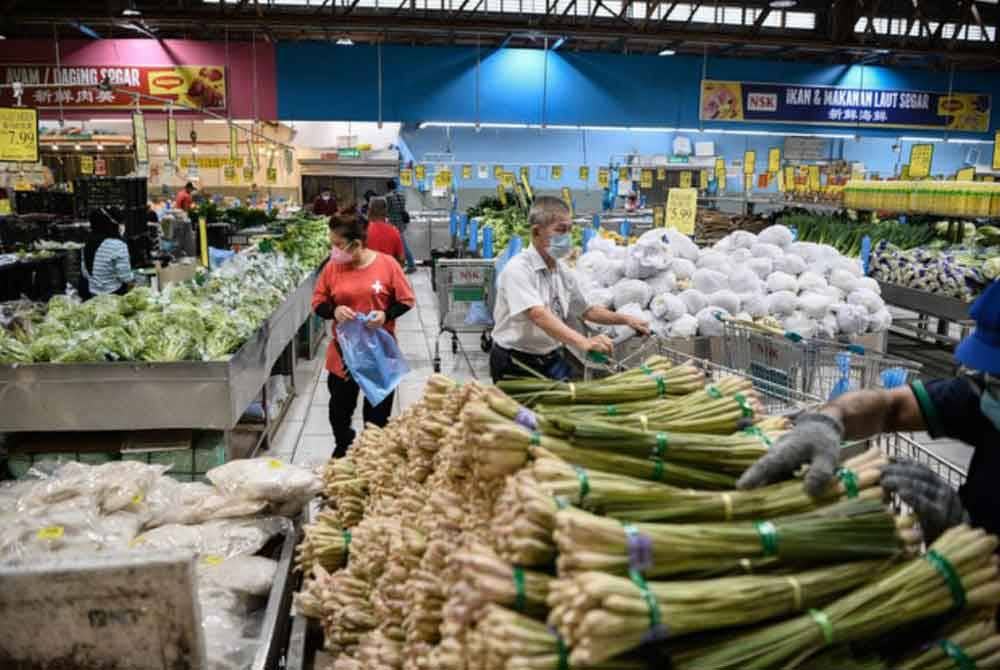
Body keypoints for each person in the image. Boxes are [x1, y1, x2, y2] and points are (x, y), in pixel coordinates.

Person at [737, 280, 1000, 544]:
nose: (989, 382)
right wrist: (829, 419)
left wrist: (961, 533)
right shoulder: (986, 395)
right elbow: (891, 406)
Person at [490, 196, 650, 382]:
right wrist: (584, 342)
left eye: (569, 230)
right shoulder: (517, 270)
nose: (566, 237)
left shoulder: (561, 270)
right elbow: (538, 314)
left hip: (550, 356)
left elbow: (587, 310)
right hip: (515, 361)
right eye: (560, 230)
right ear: (536, 232)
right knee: (523, 411)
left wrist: (626, 319)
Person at [311, 212, 416, 457]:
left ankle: (373, 454)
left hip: (378, 353)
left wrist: (385, 315)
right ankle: (344, 445)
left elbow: (406, 300)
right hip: (343, 356)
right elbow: (317, 303)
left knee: (378, 412)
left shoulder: (387, 265)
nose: (334, 250)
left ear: (356, 244)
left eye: (338, 245)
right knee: (339, 408)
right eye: (332, 244)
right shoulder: (332, 268)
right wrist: (334, 310)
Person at [81, 208, 133, 298]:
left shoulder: (88, 242)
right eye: (121, 223)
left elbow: (84, 272)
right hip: (114, 293)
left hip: (92, 293)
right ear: (113, 224)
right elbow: (125, 277)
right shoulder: (118, 245)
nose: (122, 226)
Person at [385, 179, 416, 274]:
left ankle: (411, 265)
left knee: (402, 245)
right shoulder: (402, 195)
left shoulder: (388, 197)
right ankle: (396, 265)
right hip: (401, 224)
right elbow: (402, 209)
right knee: (398, 245)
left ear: (388, 187)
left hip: (393, 224)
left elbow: (387, 211)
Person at [363, 197, 405, 264]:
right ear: (386, 212)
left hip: (368, 271)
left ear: (370, 211)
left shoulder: (363, 231)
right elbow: (401, 258)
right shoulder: (394, 231)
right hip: (388, 272)